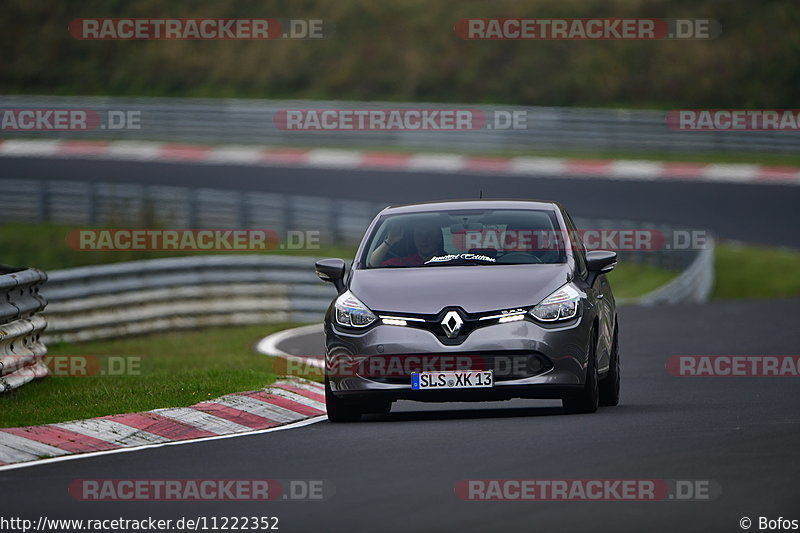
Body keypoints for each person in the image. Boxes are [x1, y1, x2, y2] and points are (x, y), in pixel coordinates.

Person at [369, 220, 445, 266]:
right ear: (414, 238)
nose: (424, 239)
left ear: (438, 238)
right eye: (419, 235)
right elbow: (370, 265)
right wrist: (389, 241)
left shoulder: (450, 262)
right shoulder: (400, 263)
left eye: (429, 234)